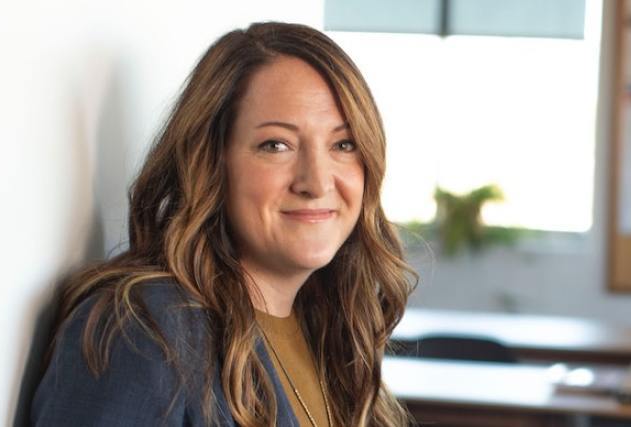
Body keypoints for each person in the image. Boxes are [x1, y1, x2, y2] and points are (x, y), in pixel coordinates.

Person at [31, 21, 414, 426]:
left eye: (344, 144)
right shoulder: (140, 330)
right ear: (212, 162)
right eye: (276, 145)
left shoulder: (331, 332)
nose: (317, 182)